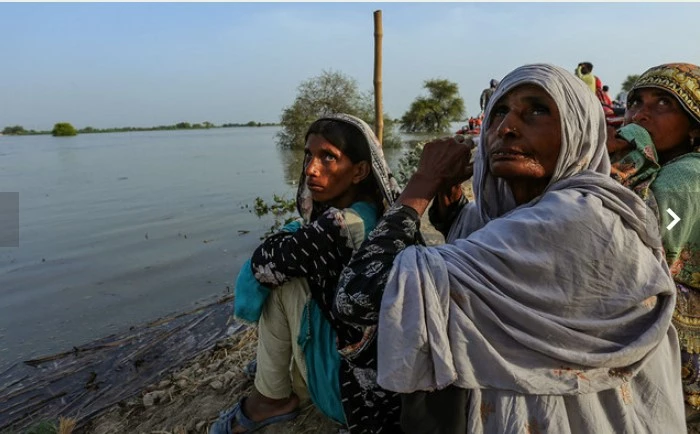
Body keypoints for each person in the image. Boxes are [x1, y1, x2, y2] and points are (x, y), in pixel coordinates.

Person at [334, 63, 685, 433]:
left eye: (537, 110)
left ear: (579, 132)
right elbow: (493, 240)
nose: (506, 128)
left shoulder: (579, 218)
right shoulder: (542, 213)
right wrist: (450, 204)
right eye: (499, 112)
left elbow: (357, 296)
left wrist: (421, 184)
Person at [210, 114, 401, 433]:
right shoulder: (373, 216)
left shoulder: (345, 225)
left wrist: (286, 240)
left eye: (328, 157)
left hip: (353, 398)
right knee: (294, 269)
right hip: (378, 380)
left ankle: (268, 400)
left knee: (281, 282)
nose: (311, 168)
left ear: (360, 171)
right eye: (309, 155)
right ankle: (279, 373)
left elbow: (263, 265)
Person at [606, 62, 700, 430]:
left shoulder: (684, 175)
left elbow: (639, 240)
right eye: (635, 102)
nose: (640, 114)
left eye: (663, 103)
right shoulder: (670, 167)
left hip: (675, 350)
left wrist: (630, 155)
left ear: (694, 123)